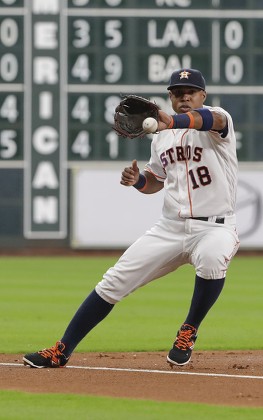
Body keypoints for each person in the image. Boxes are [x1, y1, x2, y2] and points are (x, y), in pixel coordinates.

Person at [23, 68, 240, 368]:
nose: (185, 96)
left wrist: (171, 120)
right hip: (171, 228)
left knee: (213, 257)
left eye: (191, 91)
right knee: (113, 282)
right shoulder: (160, 140)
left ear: (203, 95)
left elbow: (209, 120)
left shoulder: (218, 120)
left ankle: (188, 330)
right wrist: (139, 180)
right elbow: (156, 181)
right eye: (178, 92)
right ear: (170, 97)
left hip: (214, 227)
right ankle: (62, 349)